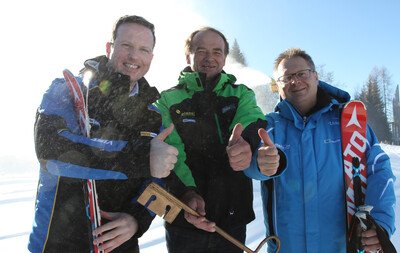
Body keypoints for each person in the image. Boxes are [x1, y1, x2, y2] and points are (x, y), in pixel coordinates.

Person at [28, 15, 178, 253]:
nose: (134, 56)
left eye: (143, 49)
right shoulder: (67, 89)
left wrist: (136, 219)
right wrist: (141, 159)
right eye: (126, 46)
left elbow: (159, 179)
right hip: (57, 241)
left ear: (151, 57)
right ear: (109, 48)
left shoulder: (153, 114)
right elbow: (51, 152)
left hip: (120, 245)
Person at [243, 48, 396, 253]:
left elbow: (379, 169)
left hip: (340, 246)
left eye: (302, 74)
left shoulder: (349, 123)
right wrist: (259, 165)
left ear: (315, 76)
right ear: (277, 86)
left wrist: (380, 222)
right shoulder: (270, 126)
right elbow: (248, 164)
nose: (295, 81)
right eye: (286, 77)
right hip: (286, 247)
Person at [154, 27, 269, 253]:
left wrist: (244, 143)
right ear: (188, 56)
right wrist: (186, 191)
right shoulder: (167, 99)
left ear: (225, 58)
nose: (210, 57)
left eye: (217, 52)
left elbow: (251, 118)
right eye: (201, 50)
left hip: (232, 220)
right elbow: (170, 147)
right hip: (183, 221)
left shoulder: (241, 94)